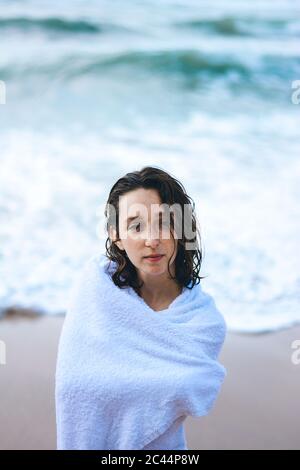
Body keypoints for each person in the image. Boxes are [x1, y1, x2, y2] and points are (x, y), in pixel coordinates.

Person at [55, 166, 227, 450]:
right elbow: (71, 386)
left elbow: (189, 389)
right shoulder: (94, 293)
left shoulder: (204, 324)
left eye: (164, 222)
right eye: (136, 226)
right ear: (116, 236)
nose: (152, 240)